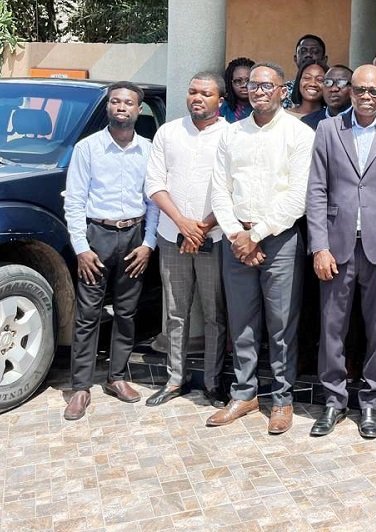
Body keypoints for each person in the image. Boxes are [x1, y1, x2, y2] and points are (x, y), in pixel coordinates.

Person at [208, 62, 316, 435]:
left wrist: (257, 236)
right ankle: (244, 393)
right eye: (254, 85)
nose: (259, 91)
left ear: (283, 90)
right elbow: (219, 190)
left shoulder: (299, 135)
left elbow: (298, 197)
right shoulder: (231, 134)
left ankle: (282, 400)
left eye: (267, 85)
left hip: (280, 238)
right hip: (237, 237)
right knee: (241, 321)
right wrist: (238, 234)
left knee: (281, 324)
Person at [306, 64, 376, 440]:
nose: (367, 96)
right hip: (336, 246)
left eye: (374, 91)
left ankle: (370, 402)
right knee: (332, 328)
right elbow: (316, 191)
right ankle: (334, 401)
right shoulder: (328, 129)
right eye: (360, 90)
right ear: (350, 91)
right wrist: (318, 246)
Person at [62, 81, 160, 421]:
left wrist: (149, 244)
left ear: (138, 110)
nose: (122, 107)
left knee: (127, 311)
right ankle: (80, 387)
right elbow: (73, 201)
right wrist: (81, 249)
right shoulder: (88, 149)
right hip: (96, 237)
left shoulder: (148, 151)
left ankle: (117, 377)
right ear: (108, 107)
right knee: (88, 315)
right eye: (116, 101)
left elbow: (154, 203)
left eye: (128, 102)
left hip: (133, 237)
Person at [143, 72, 229, 408]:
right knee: (175, 312)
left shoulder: (231, 136)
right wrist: (182, 224)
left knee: (215, 315)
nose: (197, 97)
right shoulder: (168, 132)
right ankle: (174, 379)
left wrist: (203, 227)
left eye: (205, 93)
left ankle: (212, 382)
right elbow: (154, 184)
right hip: (171, 236)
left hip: (215, 237)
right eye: (192, 91)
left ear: (220, 100)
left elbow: (234, 190)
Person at [301, 65, 353, 130]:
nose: (333, 89)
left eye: (341, 83)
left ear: (353, 88)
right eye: (327, 82)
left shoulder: (362, 120)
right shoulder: (307, 123)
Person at [284, 33, 328, 109]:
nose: (308, 54)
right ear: (295, 58)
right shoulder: (284, 91)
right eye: (303, 51)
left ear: (324, 59)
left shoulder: (331, 89)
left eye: (315, 51)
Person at [220, 57, 254, 123]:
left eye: (249, 80)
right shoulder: (221, 107)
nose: (244, 85)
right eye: (238, 81)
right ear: (229, 83)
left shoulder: (263, 107)